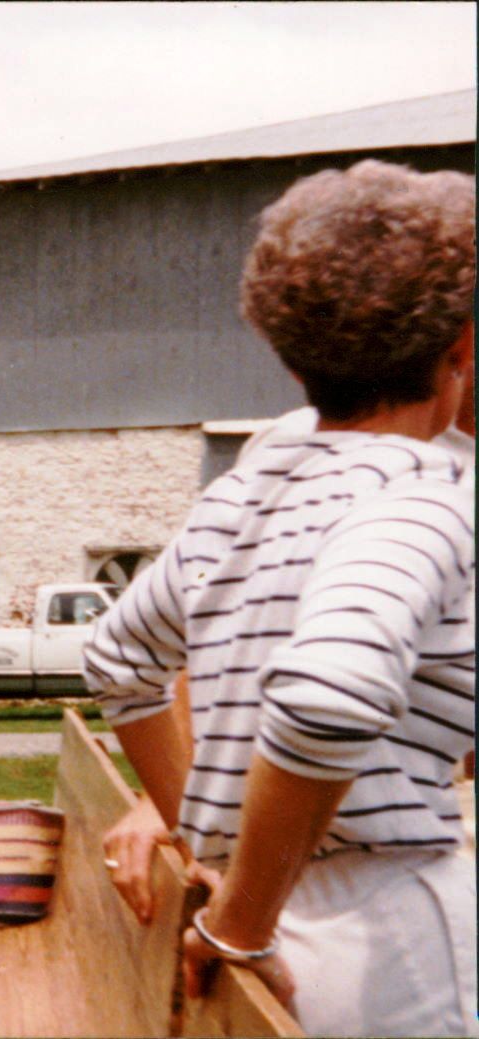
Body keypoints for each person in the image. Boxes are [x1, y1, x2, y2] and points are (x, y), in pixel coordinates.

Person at [83, 160, 476, 1037]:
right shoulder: (423, 500)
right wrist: (239, 921)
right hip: (383, 938)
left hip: (272, 917)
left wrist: (205, 850)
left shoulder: (241, 493)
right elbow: (329, 694)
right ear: (458, 347)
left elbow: (117, 655)